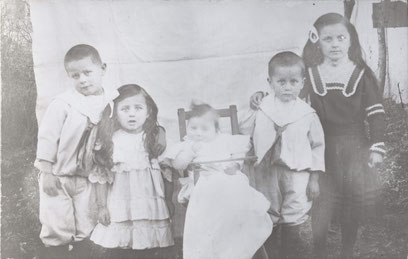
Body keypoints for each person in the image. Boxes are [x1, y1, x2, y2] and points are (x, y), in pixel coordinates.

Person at [302, 13, 385, 259]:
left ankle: (347, 251)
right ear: (317, 42)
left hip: (354, 147)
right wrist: (260, 97)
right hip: (321, 147)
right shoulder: (309, 73)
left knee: (353, 199)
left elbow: (376, 113)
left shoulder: (360, 74)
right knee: (322, 201)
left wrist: (377, 147)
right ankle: (319, 251)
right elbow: (288, 96)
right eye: (327, 39)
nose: (335, 44)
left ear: (350, 40)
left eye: (340, 38)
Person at [241, 51, 325, 259]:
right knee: (267, 210)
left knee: (294, 211)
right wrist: (253, 107)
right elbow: (245, 132)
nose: (287, 87)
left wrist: (314, 179)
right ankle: (268, 253)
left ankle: (289, 253)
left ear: (302, 83)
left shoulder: (307, 113)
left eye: (293, 82)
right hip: (267, 172)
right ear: (270, 82)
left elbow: (317, 146)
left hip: (297, 173)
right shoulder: (263, 107)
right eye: (281, 82)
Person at [164, 102, 272, 259]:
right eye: (193, 128)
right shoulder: (189, 144)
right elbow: (178, 164)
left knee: (238, 199)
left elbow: (238, 157)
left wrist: (234, 165)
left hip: (229, 179)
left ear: (216, 129)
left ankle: (234, 244)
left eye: (204, 129)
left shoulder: (225, 140)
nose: (198, 133)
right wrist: (189, 152)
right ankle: (215, 248)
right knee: (216, 197)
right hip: (203, 182)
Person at [35, 44, 112, 259]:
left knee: (86, 222)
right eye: (75, 75)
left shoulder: (111, 102)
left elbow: (132, 118)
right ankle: (56, 254)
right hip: (59, 175)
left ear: (102, 69)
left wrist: (159, 131)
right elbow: (47, 138)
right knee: (57, 223)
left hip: (88, 177)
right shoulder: (64, 103)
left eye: (88, 72)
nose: (83, 80)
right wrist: (47, 172)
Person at [89, 84, 174, 259]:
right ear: (115, 114)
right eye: (125, 109)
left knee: (150, 247)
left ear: (148, 112)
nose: (132, 113)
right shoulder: (112, 141)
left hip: (150, 206)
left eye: (138, 108)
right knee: (122, 247)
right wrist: (102, 206)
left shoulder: (154, 140)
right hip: (121, 206)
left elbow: (167, 173)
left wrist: (168, 200)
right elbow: (102, 177)